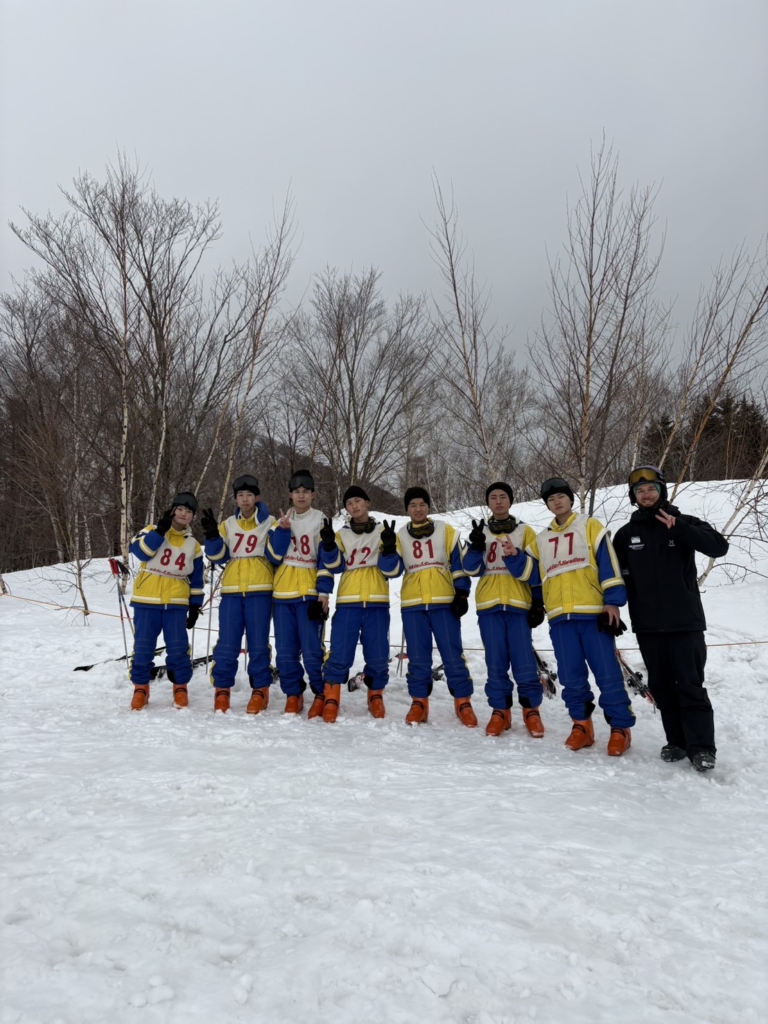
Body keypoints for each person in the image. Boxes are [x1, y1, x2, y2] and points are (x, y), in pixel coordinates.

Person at [613, 466, 728, 772]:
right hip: (648, 625)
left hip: (685, 622)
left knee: (690, 685)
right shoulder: (626, 535)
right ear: (634, 496)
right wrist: (609, 606)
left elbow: (719, 547)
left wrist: (679, 528)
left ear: (661, 491)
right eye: (640, 490)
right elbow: (613, 576)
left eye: (651, 489)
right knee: (661, 686)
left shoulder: (684, 522)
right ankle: (676, 741)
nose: (646, 494)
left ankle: (702, 747)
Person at [528, 478, 635, 755]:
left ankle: (620, 728)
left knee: (607, 674)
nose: (557, 502)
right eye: (551, 499)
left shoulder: (590, 526)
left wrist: (613, 602)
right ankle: (582, 726)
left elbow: (609, 563)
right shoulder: (541, 539)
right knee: (571, 677)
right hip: (560, 618)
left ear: (570, 499)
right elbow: (530, 573)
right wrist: (514, 556)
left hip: (592, 615)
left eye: (561, 497)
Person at [379, 486, 476, 726]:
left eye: (422, 504)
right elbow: (391, 571)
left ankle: (463, 702)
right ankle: (419, 702)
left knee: (452, 655)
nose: (418, 509)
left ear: (429, 507)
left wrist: (462, 593)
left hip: (443, 603)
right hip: (413, 605)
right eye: (413, 505)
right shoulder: (400, 535)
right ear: (407, 509)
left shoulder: (445, 530)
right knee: (418, 658)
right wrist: (388, 549)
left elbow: (458, 562)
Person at [463, 482, 547, 737]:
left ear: (510, 501)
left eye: (503, 497)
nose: (498, 501)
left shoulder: (525, 531)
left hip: (518, 604)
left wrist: (538, 602)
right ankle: (500, 711)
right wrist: (475, 548)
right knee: (496, 661)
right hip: (489, 605)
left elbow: (536, 569)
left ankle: (531, 710)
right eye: (493, 497)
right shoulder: (480, 531)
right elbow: (470, 569)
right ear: (488, 502)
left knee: (524, 661)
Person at [200, 475, 276, 714]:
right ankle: (222, 689)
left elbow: (277, 553)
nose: (245, 499)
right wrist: (212, 536)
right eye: (241, 495)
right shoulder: (228, 524)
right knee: (227, 643)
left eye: (249, 495)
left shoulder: (270, 522)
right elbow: (218, 556)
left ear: (257, 497)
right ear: (236, 499)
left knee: (258, 643)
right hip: (232, 590)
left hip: (260, 590)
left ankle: (260, 690)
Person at [267, 470, 340, 716]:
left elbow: (325, 561)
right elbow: (273, 556)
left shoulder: (321, 520)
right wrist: (283, 531)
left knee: (311, 651)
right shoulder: (281, 520)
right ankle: (293, 694)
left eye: (306, 492)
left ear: (313, 495)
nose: (301, 496)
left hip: (309, 594)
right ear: (290, 495)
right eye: (296, 492)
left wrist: (323, 593)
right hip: (283, 594)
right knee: (285, 652)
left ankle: (320, 693)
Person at [320, 485, 391, 722]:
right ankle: (331, 698)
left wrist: (390, 549)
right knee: (340, 652)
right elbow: (335, 566)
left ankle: (375, 695)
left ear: (368, 503)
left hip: (377, 601)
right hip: (348, 600)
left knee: (378, 654)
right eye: (349, 503)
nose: (354, 506)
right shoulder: (341, 534)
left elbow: (393, 569)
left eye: (358, 501)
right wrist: (329, 546)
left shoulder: (384, 530)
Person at [128, 492, 204, 710]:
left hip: (176, 603)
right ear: (172, 510)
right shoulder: (151, 530)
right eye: (180, 509)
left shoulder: (193, 545)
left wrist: (195, 606)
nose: (183, 514)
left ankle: (180, 687)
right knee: (143, 647)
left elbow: (196, 579)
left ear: (192, 517)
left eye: (188, 511)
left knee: (178, 648)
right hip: (147, 600)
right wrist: (160, 531)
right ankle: (141, 688)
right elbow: (141, 553)